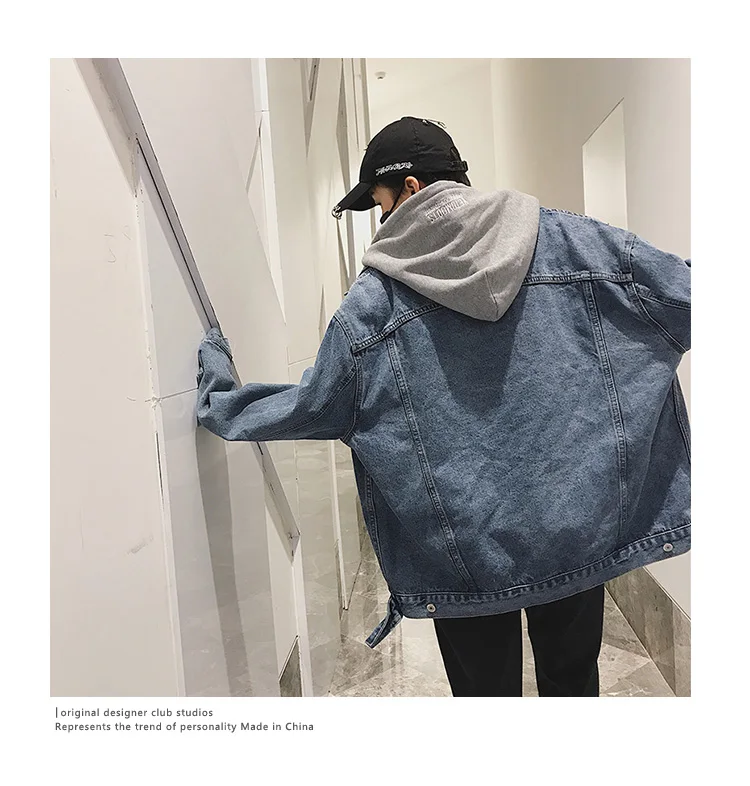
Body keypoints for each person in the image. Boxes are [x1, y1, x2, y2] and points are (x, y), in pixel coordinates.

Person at [197, 116, 691, 697]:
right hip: (575, 531)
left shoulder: (374, 304)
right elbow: (686, 296)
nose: (382, 221)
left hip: (463, 553)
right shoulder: (577, 242)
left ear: (411, 189)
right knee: (573, 687)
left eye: (381, 204)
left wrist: (221, 393)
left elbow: (313, 406)